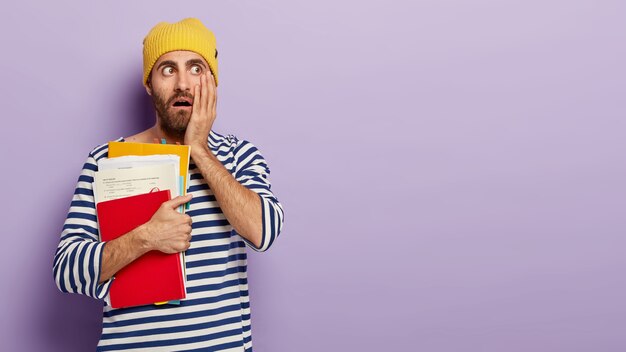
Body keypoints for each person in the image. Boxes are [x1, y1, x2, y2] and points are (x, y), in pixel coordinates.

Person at [53, 18, 284, 351]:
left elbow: (264, 232)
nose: (182, 84)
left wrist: (200, 150)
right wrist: (146, 237)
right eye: (167, 70)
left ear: (213, 81)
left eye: (195, 68)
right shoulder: (105, 160)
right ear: (149, 83)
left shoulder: (238, 155)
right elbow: (67, 270)